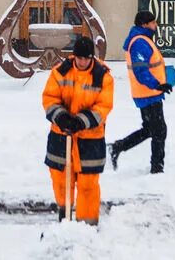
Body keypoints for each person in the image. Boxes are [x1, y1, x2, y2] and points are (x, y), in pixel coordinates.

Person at [42, 35, 113, 225]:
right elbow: (50, 98)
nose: (82, 62)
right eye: (79, 58)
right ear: (74, 57)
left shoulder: (102, 76)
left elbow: (103, 107)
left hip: (89, 140)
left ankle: (88, 224)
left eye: (86, 58)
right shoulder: (60, 72)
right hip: (61, 136)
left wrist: (81, 122)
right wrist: (61, 117)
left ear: (91, 58)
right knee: (61, 180)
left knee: (88, 184)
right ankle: (64, 217)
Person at [109, 10, 171, 175]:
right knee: (159, 131)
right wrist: (157, 85)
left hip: (149, 92)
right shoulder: (139, 42)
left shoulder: (142, 40)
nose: (155, 25)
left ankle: (118, 147)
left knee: (151, 129)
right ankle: (157, 169)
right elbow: (140, 71)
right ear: (144, 25)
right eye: (153, 23)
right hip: (148, 93)